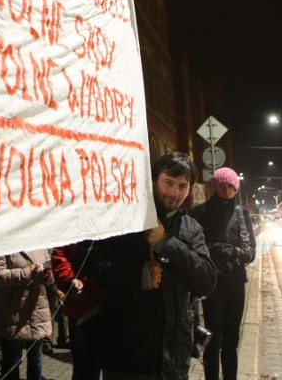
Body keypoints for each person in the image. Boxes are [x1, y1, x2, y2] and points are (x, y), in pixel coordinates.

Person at [84, 151, 217, 380]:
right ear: (154, 179)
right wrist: (138, 274)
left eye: (182, 186)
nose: (174, 193)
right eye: (168, 183)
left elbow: (206, 281)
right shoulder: (124, 217)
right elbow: (88, 260)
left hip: (174, 359)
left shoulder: (191, 228)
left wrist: (166, 243)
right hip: (127, 358)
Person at [192, 166, 256, 380]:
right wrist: (213, 250)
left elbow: (252, 250)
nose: (226, 189)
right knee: (213, 338)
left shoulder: (242, 213)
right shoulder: (201, 212)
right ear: (215, 185)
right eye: (222, 184)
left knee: (232, 339)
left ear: (236, 188)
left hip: (236, 282)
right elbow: (192, 247)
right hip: (212, 283)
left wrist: (238, 252)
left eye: (231, 185)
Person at [0, 249, 54, 380]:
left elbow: (50, 273)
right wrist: (27, 272)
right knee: (12, 361)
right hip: (13, 313)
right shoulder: (4, 244)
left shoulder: (39, 243)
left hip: (38, 310)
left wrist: (47, 275)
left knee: (36, 358)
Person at [51, 242, 103, 380]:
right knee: (84, 367)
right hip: (80, 310)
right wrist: (70, 281)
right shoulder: (72, 227)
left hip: (111, 308)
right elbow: (59, 256)